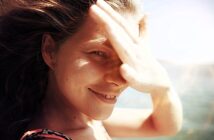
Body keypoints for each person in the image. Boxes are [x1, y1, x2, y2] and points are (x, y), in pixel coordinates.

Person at [0, 0, 183, 139]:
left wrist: (161, 86)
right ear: (50, 50)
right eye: (99, 53)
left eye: (127, 58)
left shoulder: (88, 119)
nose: (121, 79)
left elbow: (161, 125)